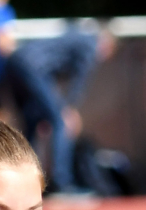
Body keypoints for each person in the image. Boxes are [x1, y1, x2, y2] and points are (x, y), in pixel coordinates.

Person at [6, 23, 117, 196]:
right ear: (107, 45)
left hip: (17, 63)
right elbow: (81, 79)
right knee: (60, 122)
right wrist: (69, 109)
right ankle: (61, 182)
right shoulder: (91, 44)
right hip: (33, 68)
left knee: (31, 122)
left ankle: (22, 179)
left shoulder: (74, 37)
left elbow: (52, 74)